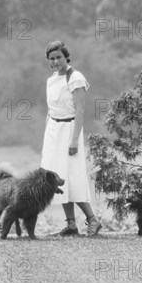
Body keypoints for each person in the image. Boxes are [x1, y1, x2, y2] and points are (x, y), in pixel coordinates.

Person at [41, 40, 102, 237]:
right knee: (57, 178)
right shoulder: (52, 79)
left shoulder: (75, 78)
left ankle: (92, 220)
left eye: (58, 57)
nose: (55, 61)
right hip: (53, 131)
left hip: (70, 130)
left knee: (73, 176)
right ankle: (71, 224)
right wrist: (47, 136)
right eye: (52, 58)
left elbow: (81, 110)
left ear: (66, 56)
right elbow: (51, 110)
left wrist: (74, 139)